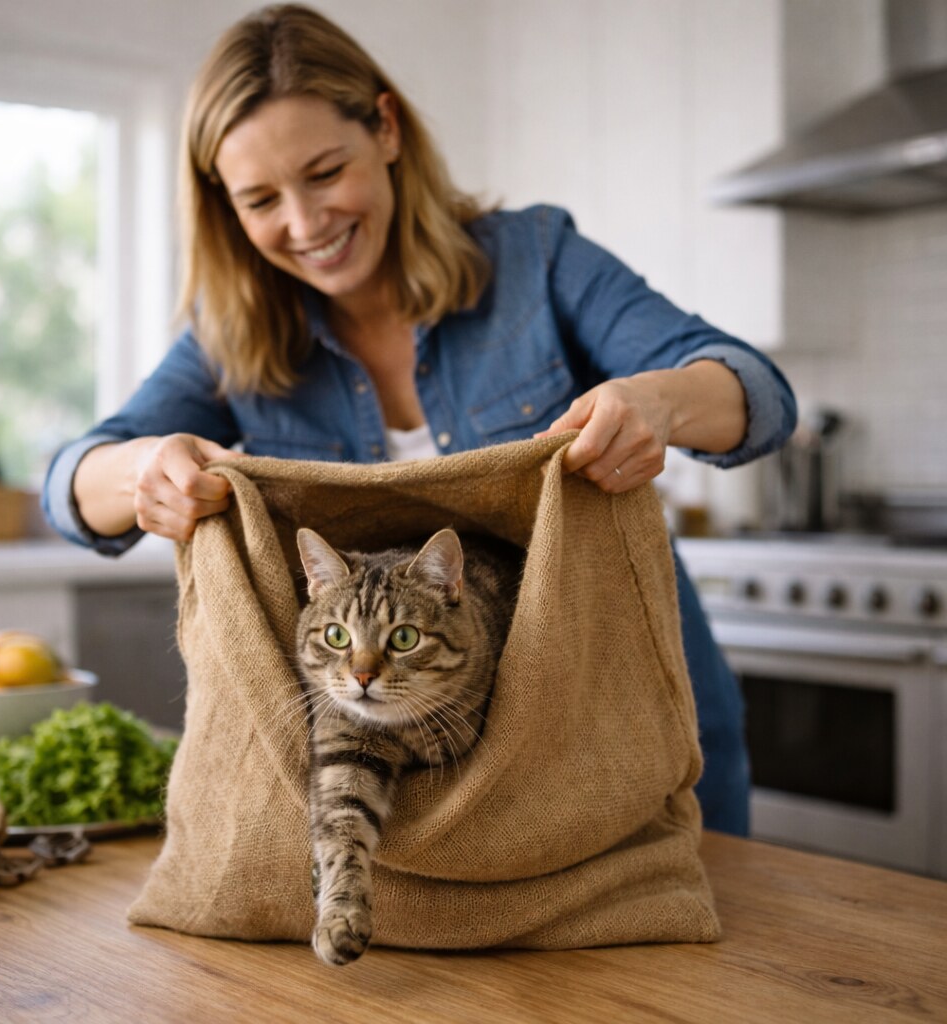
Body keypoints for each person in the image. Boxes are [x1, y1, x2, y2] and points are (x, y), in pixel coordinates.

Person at [42, 3, 796, 836]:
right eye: (260, 199)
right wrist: (142, 469)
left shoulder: (535, 259)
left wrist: (658, 400)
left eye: (326, 173)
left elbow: (757, 395)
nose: (304, 224)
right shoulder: (231, 335)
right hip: (405, 793)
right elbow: (73, 484)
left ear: (388, 128)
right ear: (227, 206)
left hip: (632, 734)